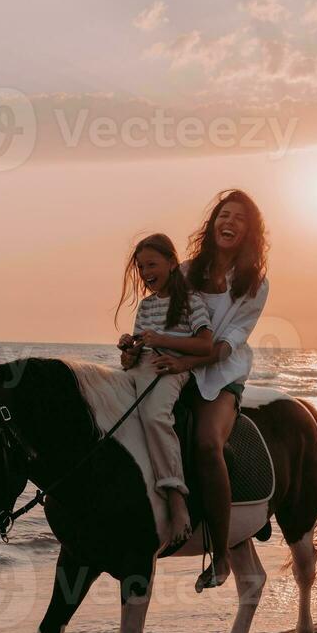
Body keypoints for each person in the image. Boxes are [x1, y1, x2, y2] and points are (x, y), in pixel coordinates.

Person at [122, 190, 269, 593]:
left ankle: (220, 554)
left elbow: (228, 342)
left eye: (240, 217)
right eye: (225, 214)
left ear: (249, 231)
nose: (231, 221)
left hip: (222, 372)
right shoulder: (186, 271)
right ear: (213, 223)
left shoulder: (255, 284)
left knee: (206, 442)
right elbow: (167, 311)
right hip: (176, 365)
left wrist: (189, 362)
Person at [115, 234, 215, 546]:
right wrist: (129, 350)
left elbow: (205, 343)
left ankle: (176, 497)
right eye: (141, 267)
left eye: (152, 264)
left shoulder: (191, 302)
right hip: (143, 366)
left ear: (172, 263)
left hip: (170, 368)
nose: (145, 272)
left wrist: (161, 340)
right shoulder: (145, 307)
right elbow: (137, 350)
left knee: (155, 416)